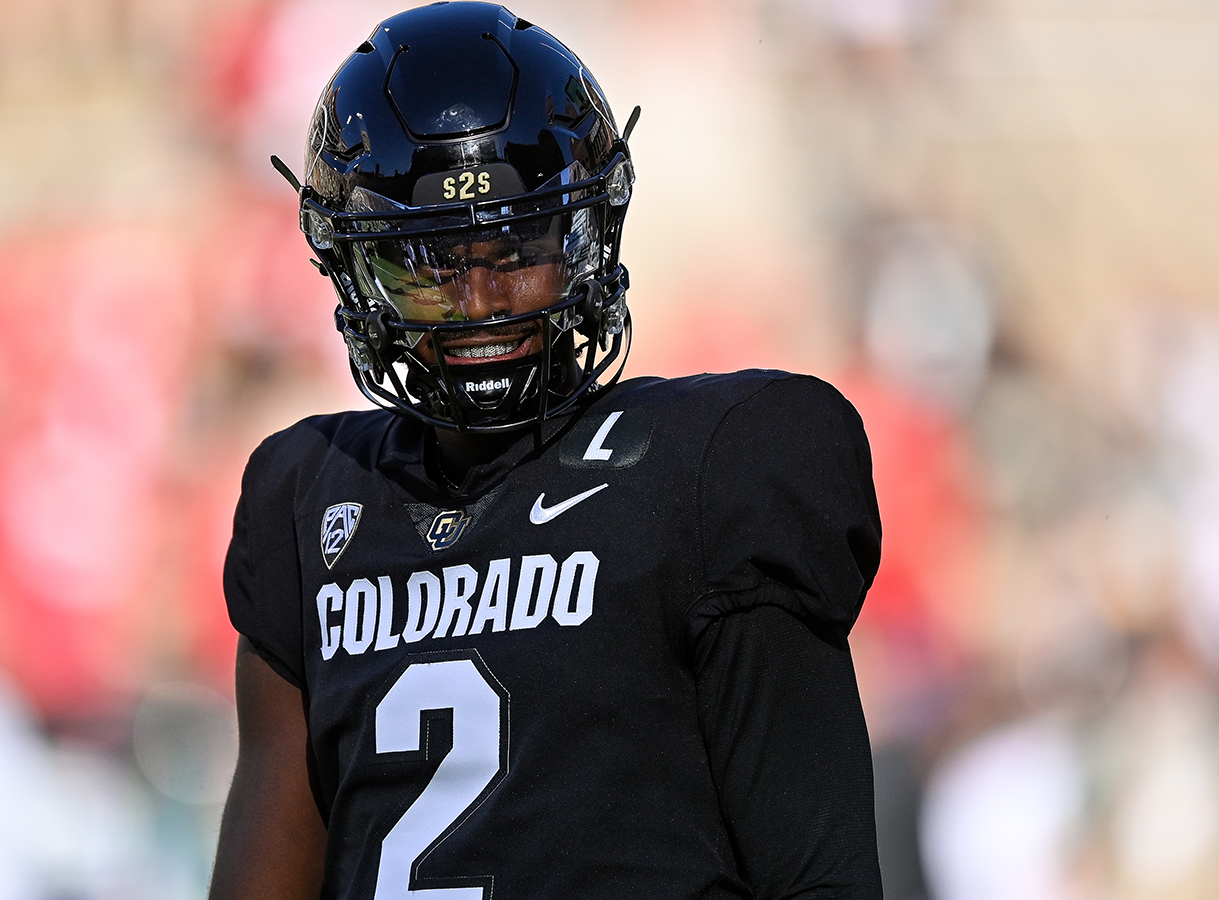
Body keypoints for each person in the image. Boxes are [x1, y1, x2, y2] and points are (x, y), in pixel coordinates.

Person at [210, 4, 884, 899]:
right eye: (430, 259)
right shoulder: (306, 497)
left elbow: (820, 880)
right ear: (351, 266)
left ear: (587, 232)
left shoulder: (716, 466)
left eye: (518, 243)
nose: (482, 298)